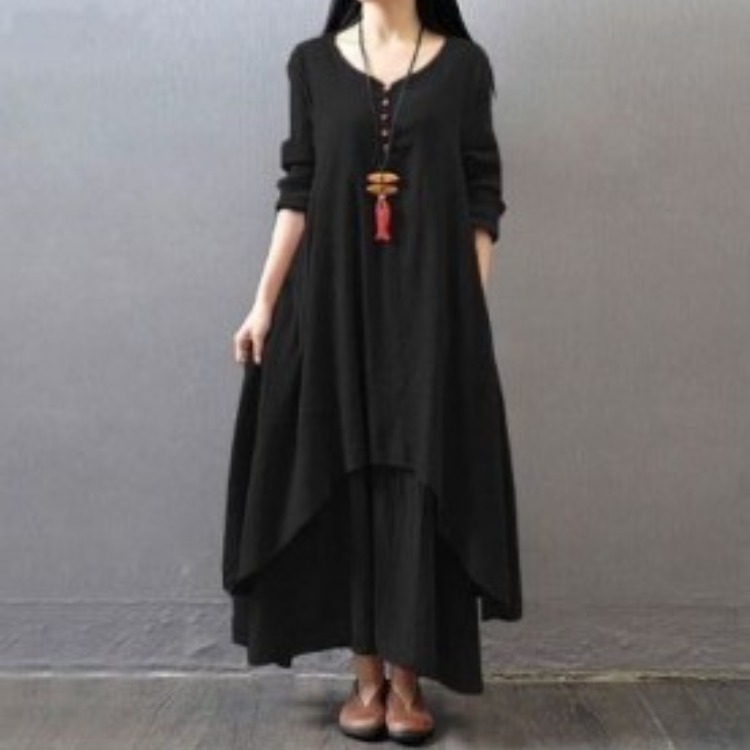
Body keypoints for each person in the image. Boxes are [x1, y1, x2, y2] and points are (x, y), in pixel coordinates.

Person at [222, 0, 523, 743]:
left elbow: (481, 198)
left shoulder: (464, 68)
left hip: (431, 311)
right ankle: (366, 677)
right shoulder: (312, 65)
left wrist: (466, 310)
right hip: (333, 305)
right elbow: (298, 191)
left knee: (418, 475)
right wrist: (263, 304)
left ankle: (408, 679)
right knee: (346, 467)